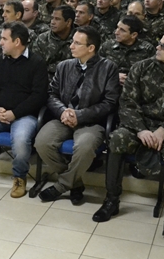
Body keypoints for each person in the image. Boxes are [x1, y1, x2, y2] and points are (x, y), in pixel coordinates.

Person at [92, 31, 164, 239]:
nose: (158, 48)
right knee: (117, 139)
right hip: (140, 127)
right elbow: (127, 104)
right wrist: (141, 129)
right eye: (159, 44)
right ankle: (111, 200)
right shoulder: (141, 68)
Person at [34, 26, 120, 204]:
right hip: (63, 117)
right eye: (72, 41)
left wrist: (79, 115)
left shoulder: (108, 68)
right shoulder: (64, 66)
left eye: (77, 43)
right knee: (41, 142)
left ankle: (63, 185)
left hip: (91, 121)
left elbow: (109, 103)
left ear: (91, 48)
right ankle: (75, 183)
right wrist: (63, 111)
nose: (71, 46)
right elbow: (51, 95)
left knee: (85, 147)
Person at [0, 22, 48, 198]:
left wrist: (15, 113)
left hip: (25, 116)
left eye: (4, 39)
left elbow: (39, 96)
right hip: (0, 114)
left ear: (17, 41)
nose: (0, 43)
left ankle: (19, 177)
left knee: (20, 141)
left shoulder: (37, 63)